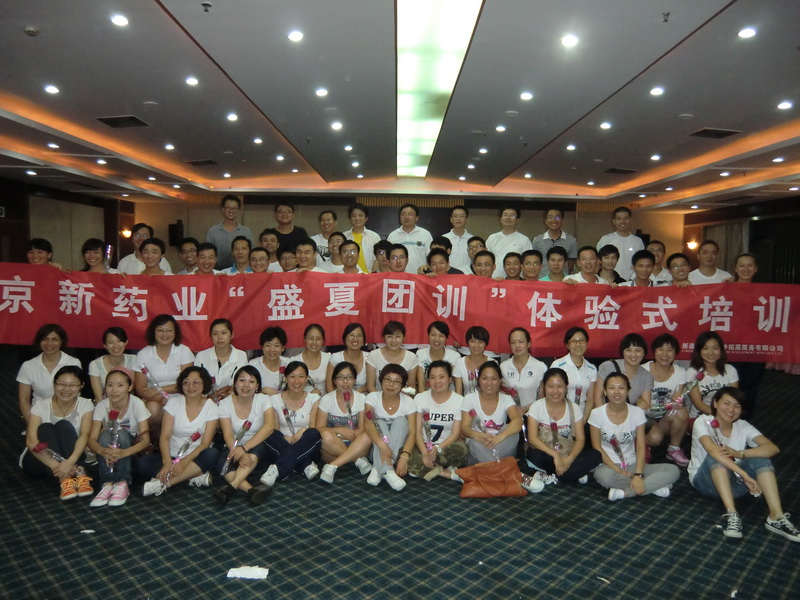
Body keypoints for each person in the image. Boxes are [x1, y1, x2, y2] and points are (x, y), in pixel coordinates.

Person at [688, 387, 800, 541]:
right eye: (726, 403)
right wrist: (745, 475)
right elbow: (713, 451)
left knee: (761, 457)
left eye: (737, 406)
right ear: (715, 403)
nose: (731, 410)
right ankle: (732, 514)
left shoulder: (743, 425)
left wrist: (740, 453)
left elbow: (773, 448)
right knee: (717, 456)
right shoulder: (703, 421)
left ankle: (776, 516)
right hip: (706, 482)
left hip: (736, 482)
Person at [589, 373, 680, 501]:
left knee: (673, 470)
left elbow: (641, 446)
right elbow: (597, 447)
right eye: (611, 388)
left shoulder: (637, 412)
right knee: (604, 477)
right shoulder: (596, 414)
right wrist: (618, 470)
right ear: (605, 391)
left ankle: (626, 492)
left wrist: (638, 474)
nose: (617, 392)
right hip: (608, 466)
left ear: (628, 390)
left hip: (632, 464)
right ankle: (653, 487)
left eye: (621, 388)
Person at [140, 366, 220, 496]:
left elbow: (205, 443)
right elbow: (165, 437)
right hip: (172, 455)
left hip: (195, 457)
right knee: (144, 463)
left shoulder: (211, 407)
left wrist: (184, 463)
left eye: (196, 382)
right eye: (186, 382)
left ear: (204, 383)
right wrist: (167, 463)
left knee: (212, 454)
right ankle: (193, 475)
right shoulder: (173, 403)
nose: (191, 386)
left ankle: (165, 483)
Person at [22, 366, 94, 501]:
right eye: (61, 384)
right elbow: (31, 442)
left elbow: (84, 435)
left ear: (81, 386)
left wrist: (70, 462)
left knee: (64, 426)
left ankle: (72, 477)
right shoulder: (40, 405)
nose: (66, 389)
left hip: (73, 461)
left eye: (72, 385)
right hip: (40, 461)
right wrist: (58, 467)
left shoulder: (86, 404)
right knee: (45, 428)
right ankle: (65, 479)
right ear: (54, 384)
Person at [87, 368, 151, 507]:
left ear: (130, 387)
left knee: (120, 433)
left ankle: (123, 482)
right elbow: (91, 439)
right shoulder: (102, 406)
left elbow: (146, 440)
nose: (114, 390)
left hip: (131, 455)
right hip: (110, 455)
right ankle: (108, 483)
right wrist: (102, 451)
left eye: (120, 385)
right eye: (110, 385)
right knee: (105, 434)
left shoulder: (137, 404)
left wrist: (124, 453)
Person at [526, 368, 601, 484]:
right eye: (550, 386)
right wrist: (555, 455)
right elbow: (532, 439)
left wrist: (569, 459)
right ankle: (572, 475)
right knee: (533, 455)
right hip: (547, 454)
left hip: (567, 453)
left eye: (560, 386)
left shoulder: (574, 408)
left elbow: (580, 440)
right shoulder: (536, 407)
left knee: (595, 455)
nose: (555, 391)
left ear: (566, 387)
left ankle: (554, 476)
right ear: (544, 387)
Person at [213, 366, 274, 506]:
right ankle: (251, 490)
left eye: (251, 381)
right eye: (242, 380)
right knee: (222, 464)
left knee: (256, 450)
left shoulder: (264, 400)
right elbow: (228, 435)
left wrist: (244, 449)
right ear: (235, 384)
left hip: (258, 445)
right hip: (234, 446)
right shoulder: (225, 403)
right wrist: (238, 452)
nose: (246, 385)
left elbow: (269, 427)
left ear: (257, 386)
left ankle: (231, 487)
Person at [260, 361, 322, 486]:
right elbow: (276, 430)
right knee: (271, 435)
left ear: (307, 379)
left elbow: (313, 427)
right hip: (282, 442)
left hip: (306, 443)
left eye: (301, 376)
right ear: (285, 379)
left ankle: (277, 468)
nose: (297, 381)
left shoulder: (314, 399)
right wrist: (287, 438)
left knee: (314, 433)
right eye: (292, 376)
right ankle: (305, 465)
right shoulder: (274, 400)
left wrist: (303, 432)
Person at [408, 361, 468, 481]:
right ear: (428, 380)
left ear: (450, 379)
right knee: (405, 455)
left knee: (462, 450)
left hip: (444, 448)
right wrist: (424, 452)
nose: (437, 381)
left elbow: (455, 434)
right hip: (423, 446)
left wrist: (438, 448)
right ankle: (445, 472)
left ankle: (422, 468)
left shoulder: (459, 400)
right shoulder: (420, 398)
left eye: (441, 377)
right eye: (432, 377)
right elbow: (417, 431)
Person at [134, 314, 195, 429]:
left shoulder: (184, 351)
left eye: (169, 331)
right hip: (155, 399)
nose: (165, 334)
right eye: (160, 330)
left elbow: (187, 384)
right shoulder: (143, 354)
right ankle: (157, 434)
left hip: (181, 397)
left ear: (175, 332)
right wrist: (159, 398)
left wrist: (159, 389)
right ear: (153, 332)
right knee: (152, 409)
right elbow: (140, 389)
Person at [317, 361, 373, 484]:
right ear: (334, 380)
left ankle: (333, 465)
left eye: (349, 377)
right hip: (333, 446)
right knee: (325, 436)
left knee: (369, 434)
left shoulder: (362, 398)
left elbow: (363, 427)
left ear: (355, 380)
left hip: (356, 442)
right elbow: (319, 428)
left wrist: (353, 434)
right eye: (341, 378)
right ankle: (356, 460)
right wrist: (338, 430)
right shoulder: (327, 399)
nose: (345, 382)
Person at [364, 364, 417, 491]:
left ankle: (378, 468)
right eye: (387, 379)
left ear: (402, 385)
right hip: (377, 449)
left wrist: (404, 456)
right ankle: (388, 471)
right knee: (379, 423)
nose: (391, 384)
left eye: (396, 381)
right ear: (381, 381)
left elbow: (412, 432)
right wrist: (383, 446)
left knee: (401, 421)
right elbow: (367, 423)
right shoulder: (372, 397)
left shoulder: (408, 402)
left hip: (398, 451)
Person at [641, 334, 690, 467]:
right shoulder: (644, 369)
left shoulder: (680, 372)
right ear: (654, 351)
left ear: (675, 353)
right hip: (645, 418)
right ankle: (640, 444)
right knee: (655, 438)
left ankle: (673, 449)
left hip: (665, 417)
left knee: (681, 412)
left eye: (669, 350)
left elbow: (677, 398)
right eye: (661, 349)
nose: (665, 354)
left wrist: (676, 403)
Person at [18, 324, 82, 424]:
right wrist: (33, 424)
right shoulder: (28, 365)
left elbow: (76, 394)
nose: (49, 343)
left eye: (54, 339)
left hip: (69, 416)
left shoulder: (73, 362)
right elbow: (24, 399)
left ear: (62, 341)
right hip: (39, 416)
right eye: (45, 339)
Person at [461, 361, 523, 464]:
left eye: (494, 379)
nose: (489, 383)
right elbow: (464, 428)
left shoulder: (506, 399)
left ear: (500, 381)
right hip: (479, 446)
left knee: (513, 433)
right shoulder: (470, 398)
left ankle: (493, 467)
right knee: (475, 444)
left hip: (500, 445)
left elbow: (518, 421)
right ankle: (499, 467)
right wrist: (477, 435)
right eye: (484, 378)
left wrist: (499, 438)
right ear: (479, 380)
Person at [731, 253, 765, 420]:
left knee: (750, 389)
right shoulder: (725, 290)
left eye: (750, 265)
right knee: (731, 388)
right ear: (736, 269)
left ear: (756, 269)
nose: (746, 269)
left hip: (755, 348)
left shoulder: (765, 292)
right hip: (731, 347)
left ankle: (744, 423)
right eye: (742, 265)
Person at [594, 333, 654, 411]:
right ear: (623, 352)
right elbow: (597, 396)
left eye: (637, 350)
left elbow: (645, 404)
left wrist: (639, 401)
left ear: (644, 353)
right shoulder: (609, 367)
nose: (633, 354)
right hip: (604, 413)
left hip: (630, 415)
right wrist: (603, 416)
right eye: (628, 350)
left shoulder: (647, 376)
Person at [686, 331, 739, 418]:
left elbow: (733, 399)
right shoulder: (692, 372)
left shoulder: (730, 370)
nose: (711, 352)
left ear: (721, 350)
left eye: (715, 348)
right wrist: (720, 416)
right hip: (699, 418)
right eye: (705, 348)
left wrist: (725, 418)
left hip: (727, 416)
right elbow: (699, 404)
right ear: (699, 351)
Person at [193, 318, 248, 402]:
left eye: (224, 333)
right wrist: (210, 396)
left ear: (231, 335)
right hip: (205, 401)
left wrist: (225, 391)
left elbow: (241, 383)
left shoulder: (241, 356)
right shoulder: (201, 356)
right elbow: (196, 383)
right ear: (211, 336)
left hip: (231, 401)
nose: (220, 337)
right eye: (215, 334)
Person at [551, 327, 598, 423]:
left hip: (581, 416)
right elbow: (551, 393)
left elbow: (590, 400)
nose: (578, 344)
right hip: (559, 417)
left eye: (581, 340)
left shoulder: (592, 368)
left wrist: (583, 422)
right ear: (567, 345)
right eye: (573, 341)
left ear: (587, 343)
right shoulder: (558, 365)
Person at [500, 328, 547, 414]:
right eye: (513, 342)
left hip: (534, 415)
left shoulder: (540, 367)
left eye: (521, 342)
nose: (517, 345)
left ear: (528, 344)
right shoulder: (503, 366)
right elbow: (501, 394)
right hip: (509, 415)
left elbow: (543, 398)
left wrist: (526, 408)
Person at [366, 321, 420, 392]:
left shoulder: (411, 357)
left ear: (404, 338)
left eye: (398, 336)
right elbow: (370, 386)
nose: (393, 340)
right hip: (378, 396)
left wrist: (402, 398)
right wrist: (379, 398)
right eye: (389, 336)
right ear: (384, 337)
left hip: (403, 397)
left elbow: (411, 385)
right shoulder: (373, 355)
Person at [88, 327, 138, 402]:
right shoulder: (95, 364)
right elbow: (98, 397)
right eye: (111, 342)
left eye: (119, 341)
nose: (116, 346)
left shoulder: (134, 360)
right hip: (104, 404)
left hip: (129, 404)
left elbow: (134, 390)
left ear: (126, 342)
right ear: (105, 345)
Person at [205, 195, 254, 270]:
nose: (231, 211)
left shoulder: (246, 231)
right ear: (222, 209)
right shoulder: (213, 231)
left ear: (238, 210)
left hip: (241, 271)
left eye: (234, 208)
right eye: (228, 208)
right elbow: (207, 253)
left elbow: (252, 253)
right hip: (218, 272)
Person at [596, 207, 644, 280]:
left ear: (631, 220)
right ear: (614, 221)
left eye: (626, 218)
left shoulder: (638, 241)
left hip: (631, 282)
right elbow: (597, 262)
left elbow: (641, 263)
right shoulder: (605, 239)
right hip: (609, 281)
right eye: (619, 219)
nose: (622, 221)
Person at [486, 207, 532, 278]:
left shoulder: (524, 240)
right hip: (494, 279)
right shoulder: (492, 238)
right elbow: (486, 259)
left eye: (512, 216)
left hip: (515, 281)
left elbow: (528, 262)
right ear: (501, 219)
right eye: (505, 215)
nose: (508, 218)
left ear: (517, 220)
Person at [531, 207, 578, 277]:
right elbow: (535, 262)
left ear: (562, 220)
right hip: (542, 280)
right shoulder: (537, 240)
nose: (554, 220)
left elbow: (570, 265)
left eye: (557, 218)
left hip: (563, 280)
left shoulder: (571, 241)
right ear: (545, 221)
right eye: (550, 217)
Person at [387, 203, 432, 273]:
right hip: (398, 277)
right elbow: (388, 259)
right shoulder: (392, 236)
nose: (406, 217)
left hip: (420, 276)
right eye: (403, 214)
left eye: (410, 214)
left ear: (417, 218)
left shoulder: (425, 234)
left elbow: (432, 258)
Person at [416, 321, 461, 391]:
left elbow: (457, 385)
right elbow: (421, 384)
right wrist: (423, 397)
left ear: (446, 338)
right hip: (427, 395)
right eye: (433, 335)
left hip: (448, 395)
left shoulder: (455, 356)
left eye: (441, 336)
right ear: (428, 335)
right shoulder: (421, 354)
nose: (437, 339)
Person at [326, 323, 369, 393]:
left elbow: (372, 384)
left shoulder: (369, 357)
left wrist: (358, 392)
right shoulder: (335, 357)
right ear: (344, 339)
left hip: (363, 397)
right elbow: (329, 386)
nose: (355, 339)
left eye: (359, 335)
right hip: (338, 397)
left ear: (363, 340)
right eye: (351, 335)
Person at [453, 326, 495, 396]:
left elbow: (494, 390)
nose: (476, 345)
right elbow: (458, 391)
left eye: (480, 342)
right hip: (467, 401)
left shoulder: (493, 363)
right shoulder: (459, 363)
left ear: (486, 344)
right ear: (468, 342)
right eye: (472, 341)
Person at [249, 326, 290, 394]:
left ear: (283, 348)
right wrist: (262, 392)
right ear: (262, 347)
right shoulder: (254, 365)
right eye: (268, 345)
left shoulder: (288, 364)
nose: (272, 349)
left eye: (276, 346)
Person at [345, 202, 381, 273]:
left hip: (369, 276)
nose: (357, 218)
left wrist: (372, 276)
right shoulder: (344, 237)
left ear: (366, 218)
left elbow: (377, 259)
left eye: (360, 215)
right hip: (349, 276)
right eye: (354, 216)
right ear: (350, 218)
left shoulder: (374, 237)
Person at [299, 323, 330, 395]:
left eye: (318, 339)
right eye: (311, 338)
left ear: (323, 341)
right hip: (302, 400)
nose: (314, 342)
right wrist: (309, 395)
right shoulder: (294, 361)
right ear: (304, 339)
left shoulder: (329, 358)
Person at [443, 205, 473, 272]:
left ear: (467, 219)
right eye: (455, 216)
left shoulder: (472, 240)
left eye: (462, 216)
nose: (458, 219)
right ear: (451, 219)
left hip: (467, 275)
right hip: (448, 275)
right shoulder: (443, 238)